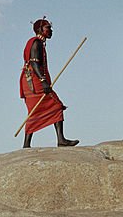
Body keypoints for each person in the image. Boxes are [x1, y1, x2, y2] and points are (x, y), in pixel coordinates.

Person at [20, 18, 79, 148]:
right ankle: (28, 144)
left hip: (34, 80)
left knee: (52, 107)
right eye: (48, 28)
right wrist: (43, 81)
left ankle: (59, 139)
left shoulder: (39, 43)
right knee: (52, 106)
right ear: (40, 29)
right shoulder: (36, 43)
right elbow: (34, 62)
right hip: (34, 82)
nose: (51, 30)